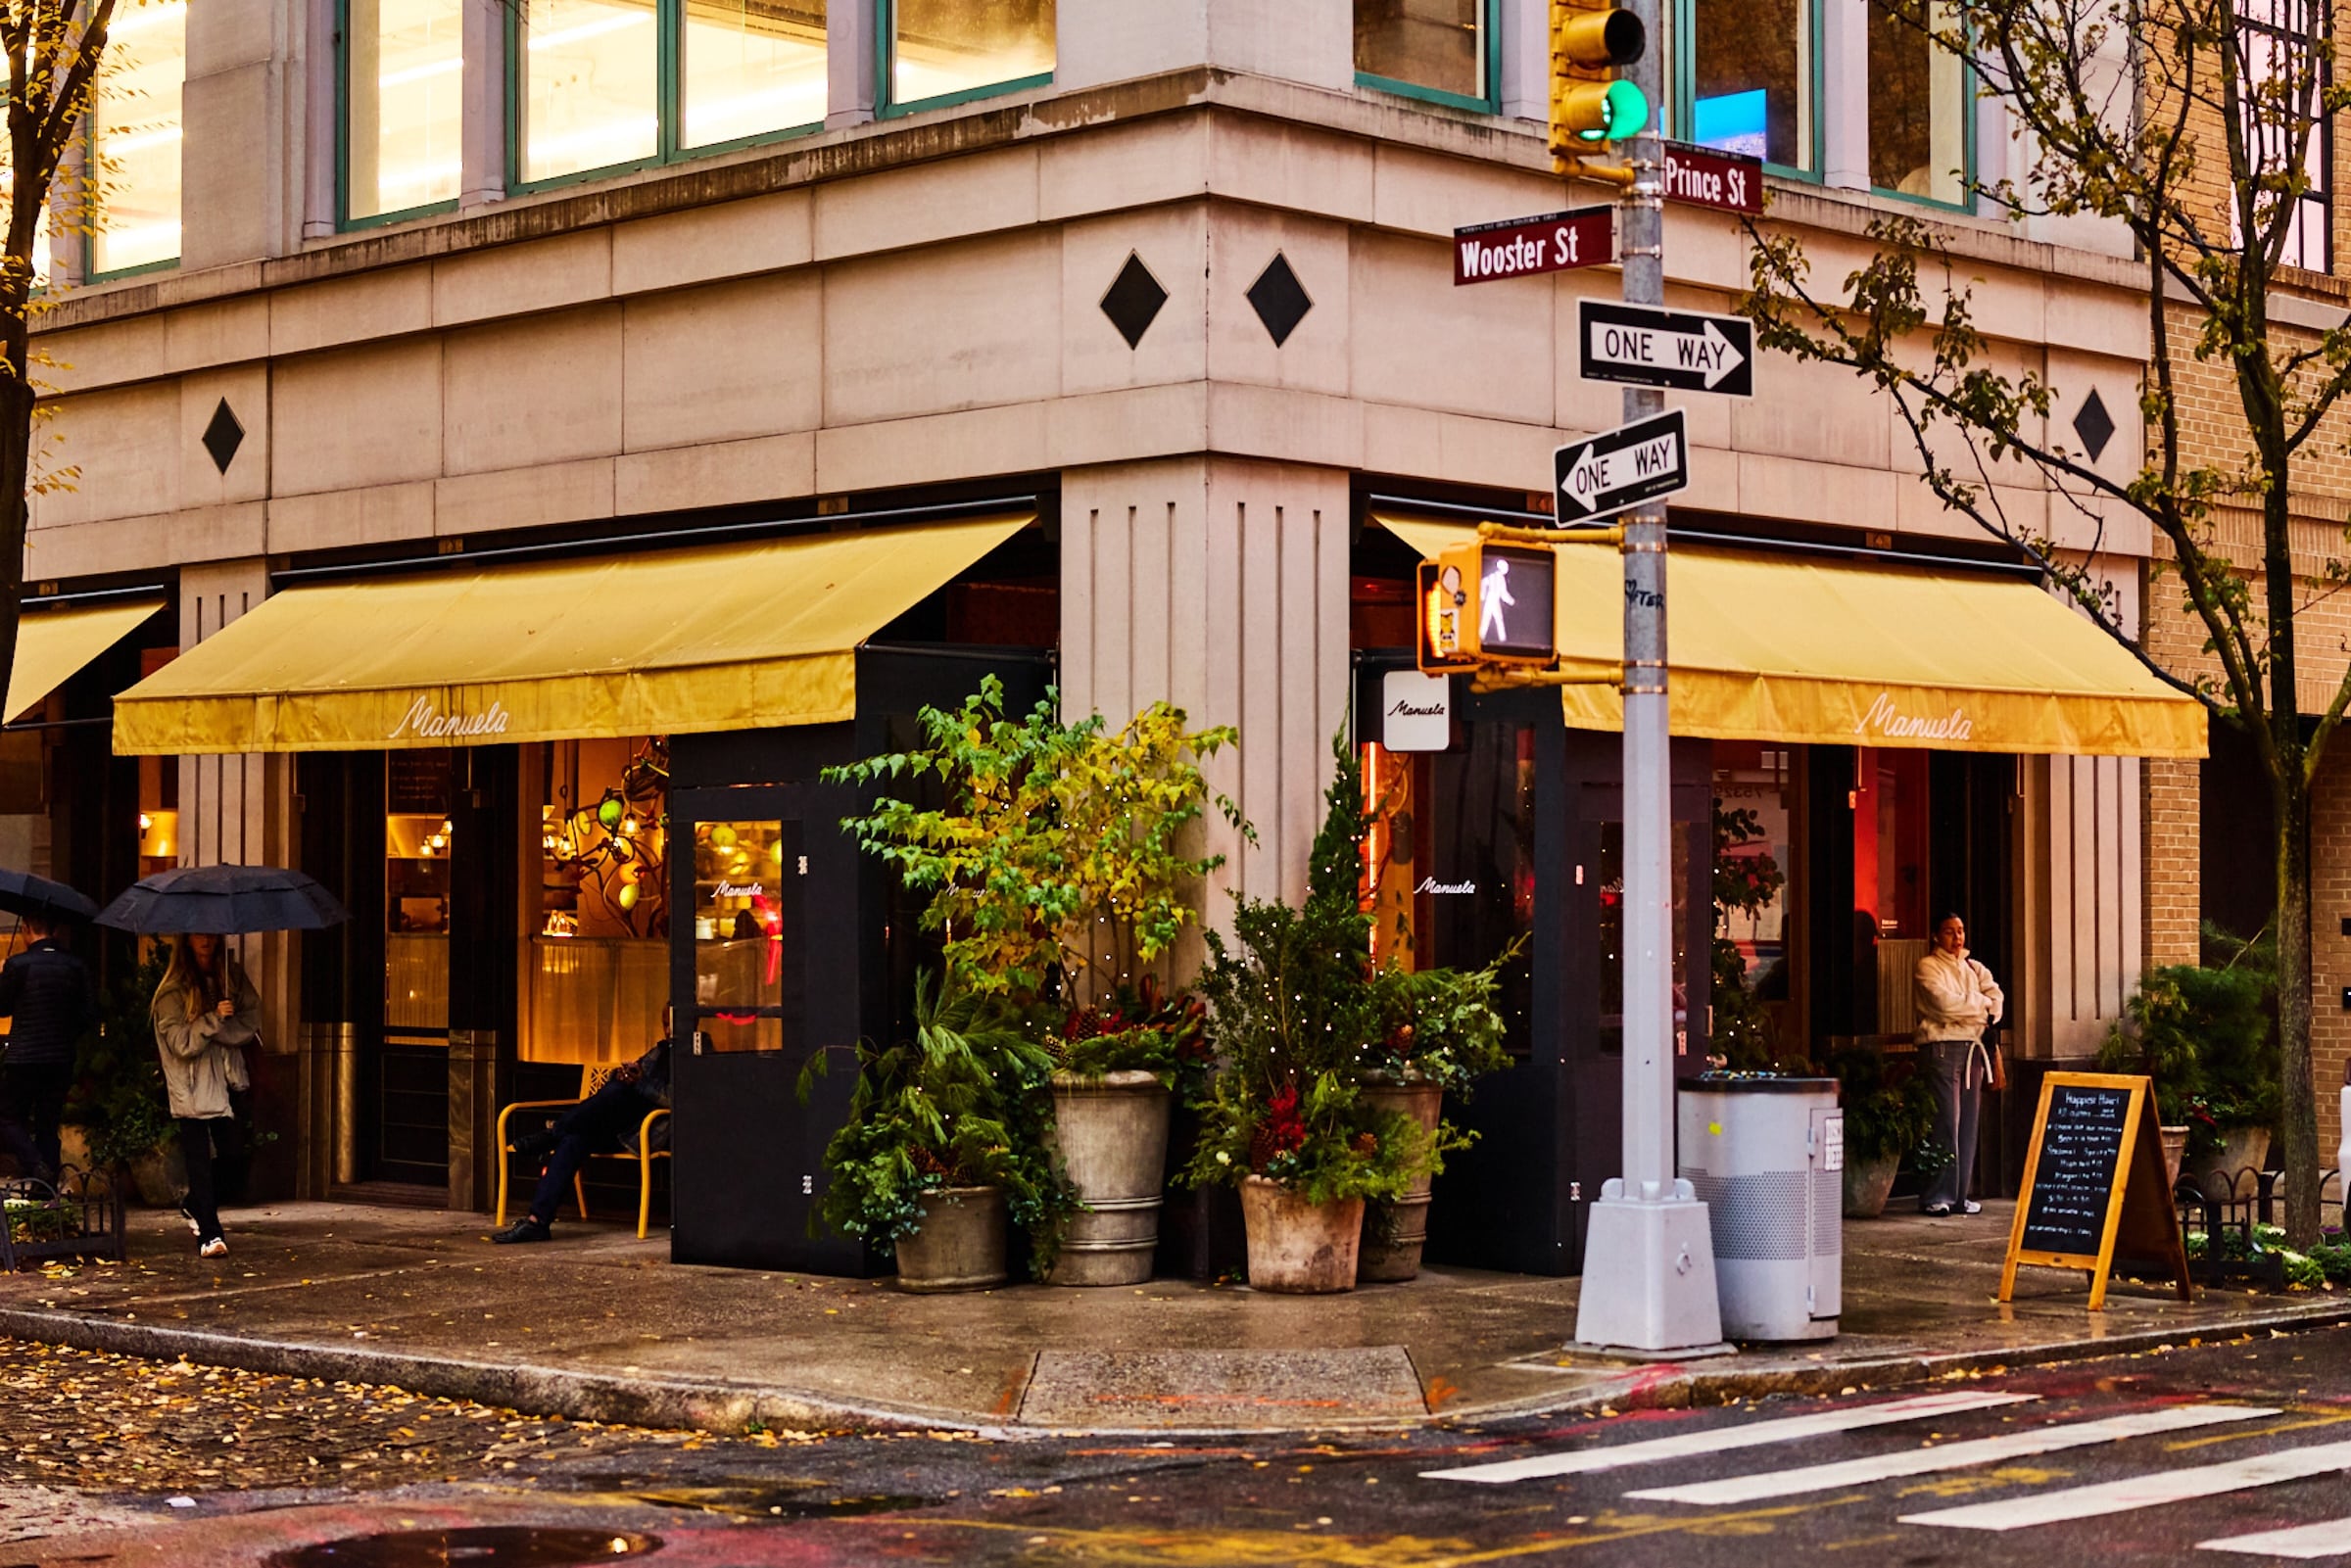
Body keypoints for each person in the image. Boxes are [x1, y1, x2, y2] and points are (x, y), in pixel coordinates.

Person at [493, 1032, 672, 1244]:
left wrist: (640, 1082)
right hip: (614, 1126)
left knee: (608, 1100)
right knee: (577, 1135)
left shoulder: (694, 1054)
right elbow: (627, 1079)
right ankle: (537, 1222)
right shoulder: (659, 1050)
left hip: (642, 1131)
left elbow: (676, 1098)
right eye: (665, 1023)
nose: (669, 1028)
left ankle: (552, 1134)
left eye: (672, 1022)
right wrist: (622, 1075)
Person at [152, 933, 262, 1258]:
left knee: (233, 1155)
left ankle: (194, 1203)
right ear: (186, 940)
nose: (207, 940)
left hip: (227, 1079)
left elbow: (250, 1018)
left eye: (211, 934)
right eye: (199, 934)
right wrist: (212, 1020)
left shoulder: (230, 976)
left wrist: (223, 1028)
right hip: (191, 1085)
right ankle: (210, 1235)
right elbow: (180, 1043)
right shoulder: (172, 992)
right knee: (198, 1162)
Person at [1913, 912, 2003, 1218]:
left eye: (1961, 930)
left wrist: (1977, 1005)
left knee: (1968, 1123)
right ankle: (1937, 1195)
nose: (1957, 937)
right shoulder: (1928, 966)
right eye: (1950, 931)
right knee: (1944, 1122)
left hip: (1973, 1048)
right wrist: (1980, 1005)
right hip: (1941, 1048)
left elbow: (1997, 1000)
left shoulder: (1974, 967)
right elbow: (1942, 1005)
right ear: (1936, 935)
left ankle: (1960, 1196)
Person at [0, 915, 96, 1184]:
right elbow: (89, 1013)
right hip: (61, 1058)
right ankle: (47, 1196)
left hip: (23, 1057)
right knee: (47, 1124)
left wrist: (3, 973)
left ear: (27, 930)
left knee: (7, 1117)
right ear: (54, 929)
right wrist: (66, 1036)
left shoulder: (18, 965)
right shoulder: (75, 965)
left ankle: (36, 1164)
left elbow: (2, 1007)